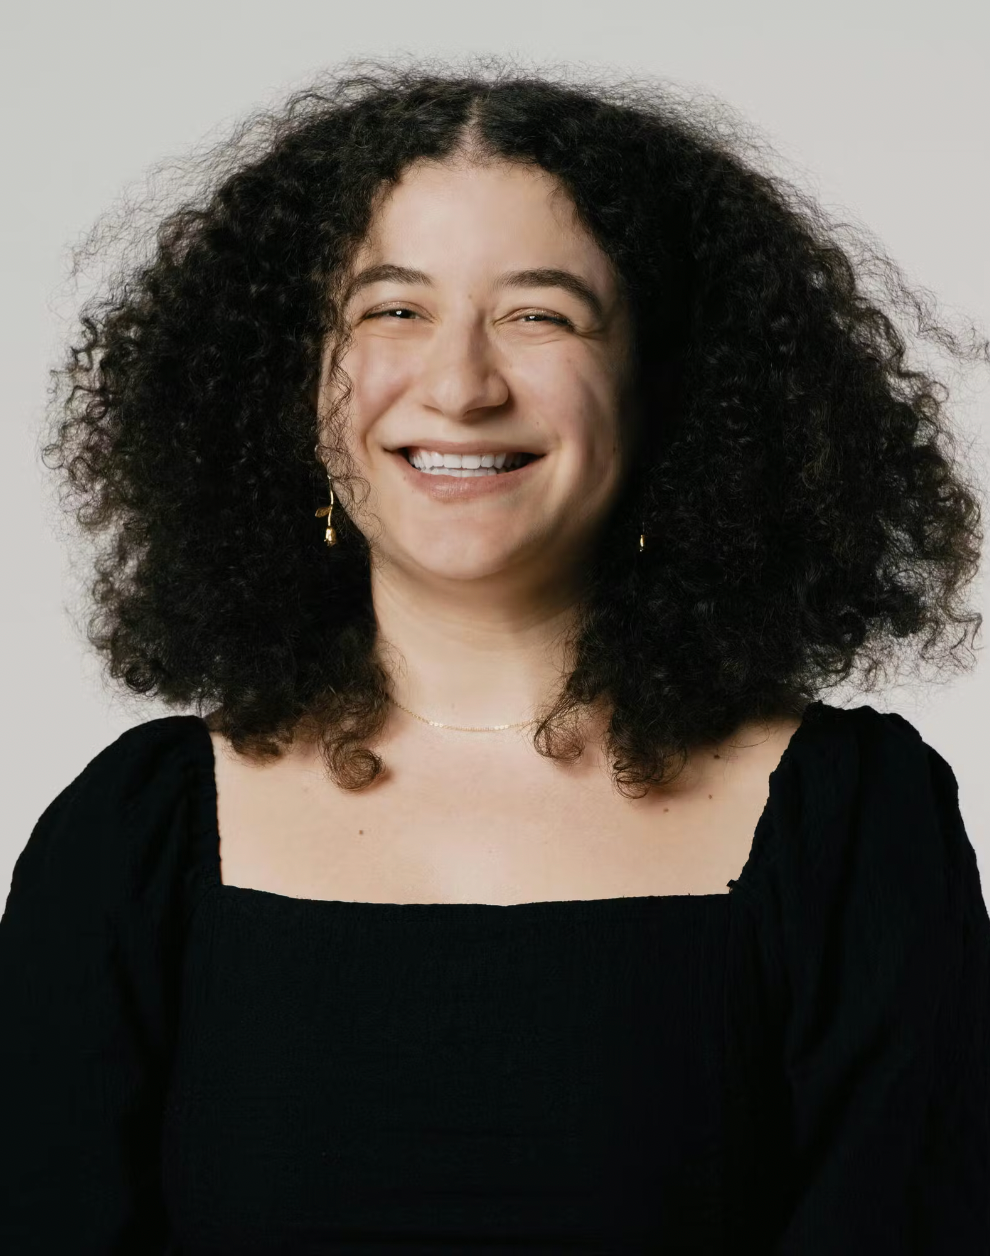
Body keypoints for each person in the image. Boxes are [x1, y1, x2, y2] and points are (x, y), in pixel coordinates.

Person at [2, 56, 988, 1254]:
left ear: (663, 386)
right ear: (300, 383)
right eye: (393, 309)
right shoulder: (131, 844)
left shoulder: (854, 829)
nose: (461, 385)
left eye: (540, 315)